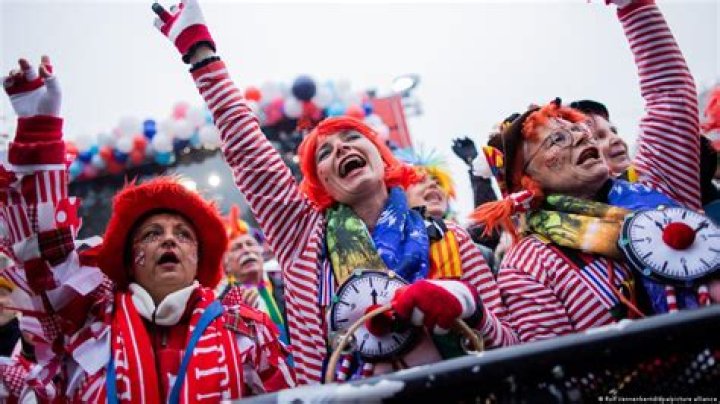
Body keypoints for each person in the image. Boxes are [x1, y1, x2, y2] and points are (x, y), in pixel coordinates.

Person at [151, 0, 517, 384]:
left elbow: (513, 347)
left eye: (351, 138)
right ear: (321, 183)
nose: (340, 148)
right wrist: (201, 53)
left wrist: (470, 308)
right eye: (324, 153)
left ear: (382, 158)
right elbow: (247, 148)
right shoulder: (303, 240)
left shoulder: (451, 239)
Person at [0, 56, 294, 402]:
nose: (169, 239)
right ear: (129, 259)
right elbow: (44, 254)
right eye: (152, 233)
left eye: (183, 235)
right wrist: (39, 130)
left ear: (198, 258)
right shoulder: (90, 323)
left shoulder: (247, 330)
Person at [472, 0, 717, 343]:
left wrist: (634, 7)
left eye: (577, 128)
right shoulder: (529, 267)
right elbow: (556, 366)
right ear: (527, 181)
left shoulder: (656, 183)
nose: (578, 136)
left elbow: (669, 95)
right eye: (557, 139)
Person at [218, 205, 290, 345]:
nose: (246, 250)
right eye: (237, 248)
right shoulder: (221, 307)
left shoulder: (287, 287)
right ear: (226, 266)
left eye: (250, 244)